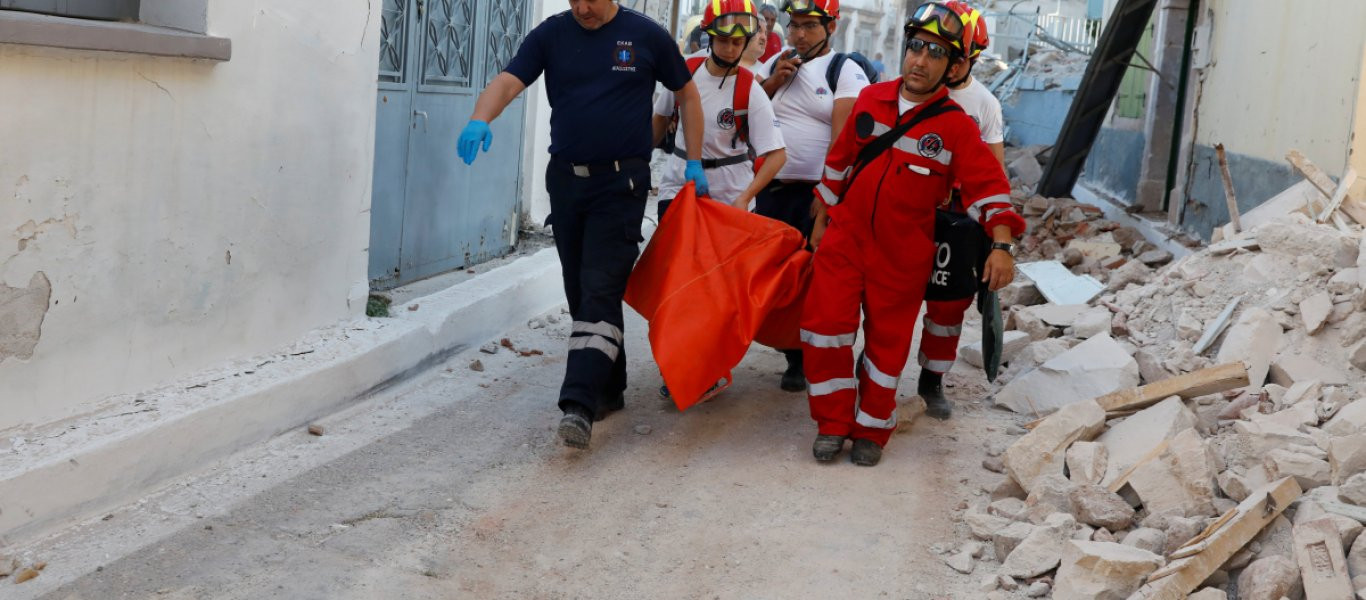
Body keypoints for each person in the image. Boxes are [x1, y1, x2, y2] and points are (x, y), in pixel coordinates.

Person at [457, 0, 709, 449]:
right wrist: (481, 117)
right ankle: (610, 388)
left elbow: (687, 93)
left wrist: (694, 159)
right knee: (580, 291)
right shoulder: (552, 34)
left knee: (600, 287)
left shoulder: (647, 36)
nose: (582, 7)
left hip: (622, 183)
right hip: (567, 184)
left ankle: (578, 404)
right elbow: (510, 80)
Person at [800, 1, 1026, 466]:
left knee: (886, 347)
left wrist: (1001, 245)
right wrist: (820, 222)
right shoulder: (870, 100)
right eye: (915, 47)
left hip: (902, 254)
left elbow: (990, 188)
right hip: (844, 243)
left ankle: (872, 429)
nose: (919, 60)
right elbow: (839, 166)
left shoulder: (957, 127)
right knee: (824, 332)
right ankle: (832, 423)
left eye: (935, 53)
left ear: (955, 65)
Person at [754, 0, 869, 394]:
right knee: (777, 279)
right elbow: (749, 118)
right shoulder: (777, 65)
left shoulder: (845, 72)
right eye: (794, 26)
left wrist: (827, 198)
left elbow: (844, 142)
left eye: (809, 27)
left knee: (813, 280)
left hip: (816, 195)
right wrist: (773, 83)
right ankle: (791, 352)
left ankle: (806, 360)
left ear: (831, 28)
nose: (799, 35)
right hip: (772, 192)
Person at [913, 0, 1008, 420]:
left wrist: (997, 242)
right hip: (907, 210)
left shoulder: (984, 105)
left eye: (949, 52)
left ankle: (932, 379)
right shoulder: (911, 90)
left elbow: (995, 176)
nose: (939, 61)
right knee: (887, 296)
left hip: (956, 221)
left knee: (948, 307)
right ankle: (875, 367)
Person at [652, 0, 786, 217]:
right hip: (677, 189)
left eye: (738, 42)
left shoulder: (750, 90)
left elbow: (777, 155)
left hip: (730, 198)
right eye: (724, 41)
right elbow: (660, 119)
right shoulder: (685, 74)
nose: (731, 49)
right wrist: (637, 163)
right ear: (711, 37)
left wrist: (745, 197)